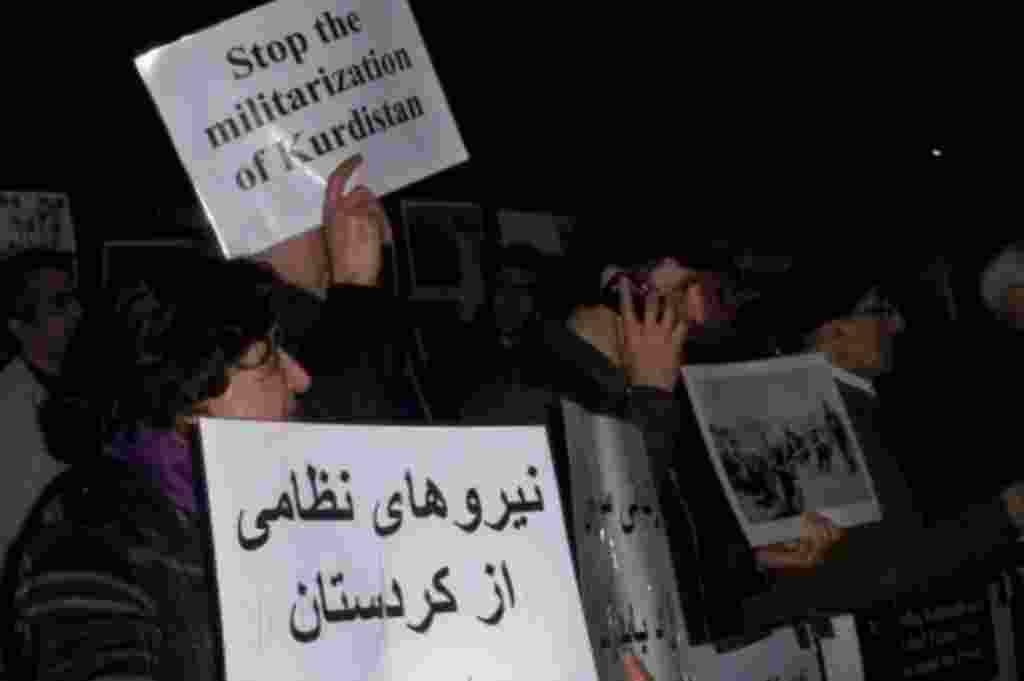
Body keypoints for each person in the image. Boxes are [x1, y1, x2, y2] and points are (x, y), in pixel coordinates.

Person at [2, 158, 390, 680]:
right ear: (188, 395)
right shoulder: (87, 544)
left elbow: (338, 400)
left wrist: (354, 284)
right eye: (270, 359)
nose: (299, 379)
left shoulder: (256, 488)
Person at [0, 249, 82, 572]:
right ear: (19, 326)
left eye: (74, 299)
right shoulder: (8, 406)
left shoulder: (86, 385)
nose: (78, 312)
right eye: (60, 304)